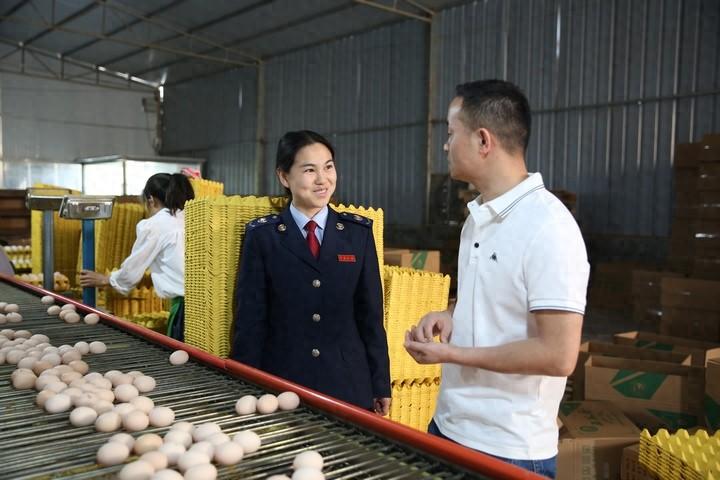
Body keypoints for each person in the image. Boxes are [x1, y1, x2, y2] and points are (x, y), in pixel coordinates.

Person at [403, 80, 589, 478]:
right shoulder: (478, 218)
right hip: (450, 426)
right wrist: (452, 314)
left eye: (451, 134)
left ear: (483, 140)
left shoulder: (548, 228)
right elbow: (493, 299)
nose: (446, 145)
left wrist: (452, 355)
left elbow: (558, 355)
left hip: (507, 448)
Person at [231, 130, 391, 415]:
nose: (323, 179)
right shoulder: (264, 236)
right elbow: (250, 319)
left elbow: (371, 317)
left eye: (328, 167)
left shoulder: (357, 234)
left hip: (347, 384)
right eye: (309, 170)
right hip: (283, 380)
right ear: (284, 177)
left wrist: (380, 383)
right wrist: (245, 382)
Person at [79, 173, 194, 341]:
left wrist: (107, 279)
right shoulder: (188, 218)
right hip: (203, 304)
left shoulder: (155, 225)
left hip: (184, 308)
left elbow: (133, 270)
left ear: (151, 200)